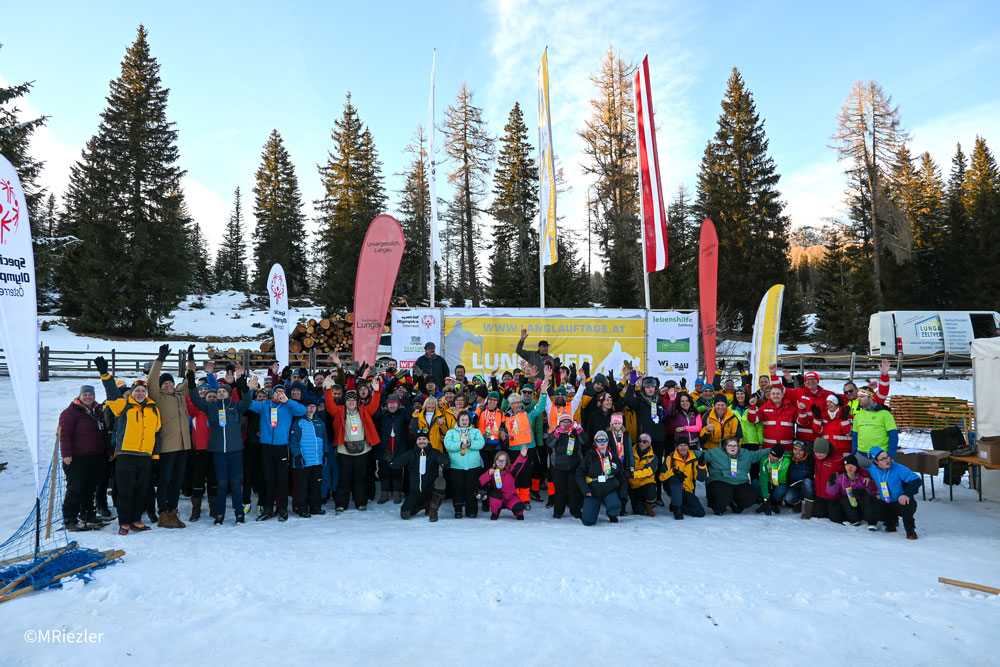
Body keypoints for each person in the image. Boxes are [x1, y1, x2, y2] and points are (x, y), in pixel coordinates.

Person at [96, 356, 161, 535]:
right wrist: (104, 374)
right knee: (125, 491)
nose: (140, 393)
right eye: (137, 391)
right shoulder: (124, 407)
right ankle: (124, 522)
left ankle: (136, 519)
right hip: (126, 455)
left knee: (141, 491)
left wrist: (155, 456)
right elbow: (111, 393)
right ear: (132, 392)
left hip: (145, 457)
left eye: (142, 391)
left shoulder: (153, 409)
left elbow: (156, 434)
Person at [186, 368, 254, 525]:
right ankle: (219, 514)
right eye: (220, 391)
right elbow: (196, 401)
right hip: (218, 452)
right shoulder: (211, 407)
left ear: (229, 394)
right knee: (222, 484)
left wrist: (243, 386)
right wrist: (191, 385)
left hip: (235, 451)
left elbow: (247, 401)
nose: (221, 393)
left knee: (236, 484)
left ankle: (239, 513)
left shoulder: (235, 407)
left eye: (224, 391)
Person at [147, 344, 196, 529]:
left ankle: (173, 512)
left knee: (177, 481)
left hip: (183, 446)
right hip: (167, 447)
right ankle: (162, 514)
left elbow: (189, 378)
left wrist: (190, 358)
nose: (168, 384)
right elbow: (151, 380)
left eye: (170, 382)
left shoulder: (180, 394)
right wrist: (159, 360)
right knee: (165, 481)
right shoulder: (157, 397)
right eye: (165, 383)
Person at [246, 381, 307, 522]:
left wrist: (288, 401)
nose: (279, 394)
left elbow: (302, 411)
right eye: (276, 392)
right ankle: (268, 509)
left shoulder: (288, 406)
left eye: (281, 392)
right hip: (266, 447)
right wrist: (250, 390)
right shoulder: (265, 405)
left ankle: (283, 509)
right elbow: (248, 404)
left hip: (282, 447)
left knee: (282, 480)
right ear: (272, 394)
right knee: (268, 479)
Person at [324, 380, 382, 513]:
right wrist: (328, 390)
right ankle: (341, 503)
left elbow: (374, 406)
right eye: (348, 400)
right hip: (345, 450)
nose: (351, 402)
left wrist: (377, 391)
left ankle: (360, 502)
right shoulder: (339, 411)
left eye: (353, 400)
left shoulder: (363, 410)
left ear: (357, 402)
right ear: (345, 401)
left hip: (363, 450)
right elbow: (329, 405)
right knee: (344, 478)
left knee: (360, 478)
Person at [59, 384, 111, 531]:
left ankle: (88, 515)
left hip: (95, 457)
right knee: (75, 488)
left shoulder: (98, 411)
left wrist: (108, 451)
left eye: (91, 394)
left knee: (89, 488)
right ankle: (70, 518)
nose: (88, 397)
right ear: (80, 396)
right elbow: (65, 434)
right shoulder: (70, 412)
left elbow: (104, 433)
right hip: (77, 458)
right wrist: (66, 454)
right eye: (85, 394)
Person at [500, 380, 549, 508]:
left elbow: (540, 408)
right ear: (510, 404)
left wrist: (543, 393)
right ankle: (514, 499)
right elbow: (501, 428)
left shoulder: (528, 413)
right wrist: (501, 433)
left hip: (528, 448)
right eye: (514, 403)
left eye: (518, 402)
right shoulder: (506, 416)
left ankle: (525, 499)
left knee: (526, 474)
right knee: (514, 475)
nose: (517, 404)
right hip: (512, 449)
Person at [697, 438, 772, 516]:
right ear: (724, 446)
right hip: (720, 480)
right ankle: (718, 507)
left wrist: (775, 450)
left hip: (739, 481)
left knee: (750, 498)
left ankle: (735, 504)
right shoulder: (715, 452)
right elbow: (698, 454)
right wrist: (685, 451)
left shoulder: (745, 454)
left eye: (735, 446)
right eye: (730, 445)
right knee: (723, 496)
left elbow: (759, 453)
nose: (733, 448)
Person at [861, 446, 921, 539]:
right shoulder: (873, 469)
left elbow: (916, 480)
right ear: (876, 462)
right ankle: (890, 523)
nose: (887, 460)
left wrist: (907, 494)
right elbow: (862, 470)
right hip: (886, 502)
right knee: (872, 504)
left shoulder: (898, 468)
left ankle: (910, 531)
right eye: (883, 459)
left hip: (901, 501)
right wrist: (866, 476)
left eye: (887, 457)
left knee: (905, 504)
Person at [388, 431, 450, 521]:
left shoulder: (434, 453)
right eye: (419, 439)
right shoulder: (411, 454)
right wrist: (390, 460)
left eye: (424, 439)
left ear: (428, 441)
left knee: (440, 481)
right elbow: (396, 464)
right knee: (405, 514)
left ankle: (433, 511)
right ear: (416, 441)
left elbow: (446, 464)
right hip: (416, 491)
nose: (422, 441)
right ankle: (424, 505)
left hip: (430, 490)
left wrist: (445, 460)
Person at [289, 394, 329, 519]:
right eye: (308, 406)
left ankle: (315, 507)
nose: (311, 409)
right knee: (302, 487)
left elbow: (325, 439)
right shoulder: (299, 422)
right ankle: (302, 508)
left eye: (313, 406)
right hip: (304, 461)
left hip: (317, 460)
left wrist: (325, 453)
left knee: (316, 486)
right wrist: (297, 455)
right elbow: (294, 440)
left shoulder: (320, 423)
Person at [576, 430, 623, 525]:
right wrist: (585, 490)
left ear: (608, 441)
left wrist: (618, 486)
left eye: (604, 440)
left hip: (609, 489)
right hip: (593, 490)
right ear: (595, 442)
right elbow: (579, 474)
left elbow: (620, 473)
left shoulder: (613, 456)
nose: (602, 443)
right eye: (599, 440)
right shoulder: (589, 456)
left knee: (615, 507)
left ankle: (612, 513)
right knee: (588, 521)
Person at [443, 412, 485, 518]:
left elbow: (481, 443)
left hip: (473, 466)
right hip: (456, 466)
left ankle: (471, 510)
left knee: (471, 488)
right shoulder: (451, 432)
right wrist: (460, 445)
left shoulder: (475, 431)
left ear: (469, 421)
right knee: (458, 488)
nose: (464, 422)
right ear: (458, 421)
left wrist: (471, 444)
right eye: (462, 419)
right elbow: (448, 444)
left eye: (466, 419)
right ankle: (458, 509)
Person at [546, 413, 586, 519]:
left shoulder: (574, 432)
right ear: (560, 423)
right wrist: (556, 434)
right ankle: (558, 511)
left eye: (568, 421)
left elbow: (585, 441)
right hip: (558, 465)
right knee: (560, 490)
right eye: (564, 422)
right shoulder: (556, 431)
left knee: (574, 489)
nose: (566, 424)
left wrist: (580, 430)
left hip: (574, 464)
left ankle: (576, 511)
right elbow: (549, 444)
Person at [375, 394, 409, 504]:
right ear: (387, 405)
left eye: (394, 403)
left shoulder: (402, 414)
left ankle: (396, 493)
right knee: (384, 471)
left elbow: (410, 417)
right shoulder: (382, 414)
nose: (392, 405)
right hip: (384, 448)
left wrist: (407, 401)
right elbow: (375, 416)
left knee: (397, 472)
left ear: (398, 404)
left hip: (398, 448)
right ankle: (384, 494)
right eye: (390, 403)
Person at [660, 440, 706, 520]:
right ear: (677, 447)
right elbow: (661, 477)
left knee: (700, 512)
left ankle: (677, 506)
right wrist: (673, 472)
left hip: (687, 490)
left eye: (685, 445)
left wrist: (702, 466)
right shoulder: (670, 457)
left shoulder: (694, 458)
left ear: (688, 447)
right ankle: (677, 510)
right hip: (673, 488)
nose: (683, 448)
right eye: (680, 445)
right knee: (676, 480)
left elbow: (701, 478)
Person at [851, 388, 899, 465]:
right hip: (861, 456)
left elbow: (893, 436)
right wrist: (854, 453)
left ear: (871, 397)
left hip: (880, 457)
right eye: (858, 397)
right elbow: (854, 436)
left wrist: (890, 455)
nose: (859, 399)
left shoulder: (885, 414)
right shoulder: (858, 416)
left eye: (862, 397)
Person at [826, 454, 876, 526]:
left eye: (852, 465)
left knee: (867, 499)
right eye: (847, 465)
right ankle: (854, 520)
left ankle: (871, 522)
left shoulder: (863, 478)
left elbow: (873, 492)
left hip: (863, 506)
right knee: (844, 500)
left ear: (856, 467)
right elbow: (832, 493)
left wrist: (864, 492)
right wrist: (831, 483)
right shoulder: (841, 479)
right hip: (851, 505)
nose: (850, 467)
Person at [480, 449, 529, 520]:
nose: (501, 462)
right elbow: (481, 481)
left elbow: (518, 464)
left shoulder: (511, 471)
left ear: (507, 462)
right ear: (495, 461)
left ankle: (517, 512)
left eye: (503, 460)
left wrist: (522, 456)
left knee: (519, 509)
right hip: (498, 498)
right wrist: (489, 474)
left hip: (510, 497)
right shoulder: (492, 471)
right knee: (495, 496)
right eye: (498, 460)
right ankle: (495, 512)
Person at [748, 385, 797, 451]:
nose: (775, 396)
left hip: (787, 449)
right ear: (770, 395)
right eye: (773, 394)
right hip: (769, 448)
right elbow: (753, 420)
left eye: (778, 394)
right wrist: (752, 406)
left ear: (782, 395)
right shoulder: (764, 408)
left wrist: (803, 411)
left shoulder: (791, 408)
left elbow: (802, 422)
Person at [811, 437, 845, 524]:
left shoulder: (837, 460)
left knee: (835, 519)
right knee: (817, 516)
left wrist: (865, 475)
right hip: (819, 495)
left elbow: (853, 467)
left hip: (832, 497)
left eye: (822, 453)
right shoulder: (817, 458)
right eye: (817, 452)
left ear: (827, 451)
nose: (818, 455)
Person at [607, 413, 635, 513]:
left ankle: (623, 508)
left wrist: (631, 465)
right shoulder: (609, 435)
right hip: (613, 465)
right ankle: (615, 507)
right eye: (615, 424)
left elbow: (630, 451)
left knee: (624, 486)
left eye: (619, 424)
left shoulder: (626, 435)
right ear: (612, 424)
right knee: (614, 486)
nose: (617, 426)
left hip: (624, 464)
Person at [627, 433, 659, 517]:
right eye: (640, 441)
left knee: (651, 494)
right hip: (634, 485)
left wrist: (634, 474)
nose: (641, 443)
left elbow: (649, 471)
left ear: (649, 443)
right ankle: (642, 503)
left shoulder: (653, 457)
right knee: (638, 511)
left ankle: (650, 505)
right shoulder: (630, 453)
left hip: (646, 483)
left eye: (645, 441)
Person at [757, 444, 791, 514]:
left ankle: (774, 502)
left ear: (780, 457)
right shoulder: (765, 460)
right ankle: (765, 501)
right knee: (756, 483)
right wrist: (766, 499)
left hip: (781, 483)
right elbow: (763, 480)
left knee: (780, 491)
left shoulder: (788, 458)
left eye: (775, 457)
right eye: (771, 454)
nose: (771, 457)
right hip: (768, 482)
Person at [785, 441, 815, 517]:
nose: (797, 452)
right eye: (795, 449)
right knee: (789, 498)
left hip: (806, 487)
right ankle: (797, 503)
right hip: (794, 487)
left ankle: (808, 510)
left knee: (807, 482)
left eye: (800, 450)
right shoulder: (789, 460)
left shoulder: (810, 460)